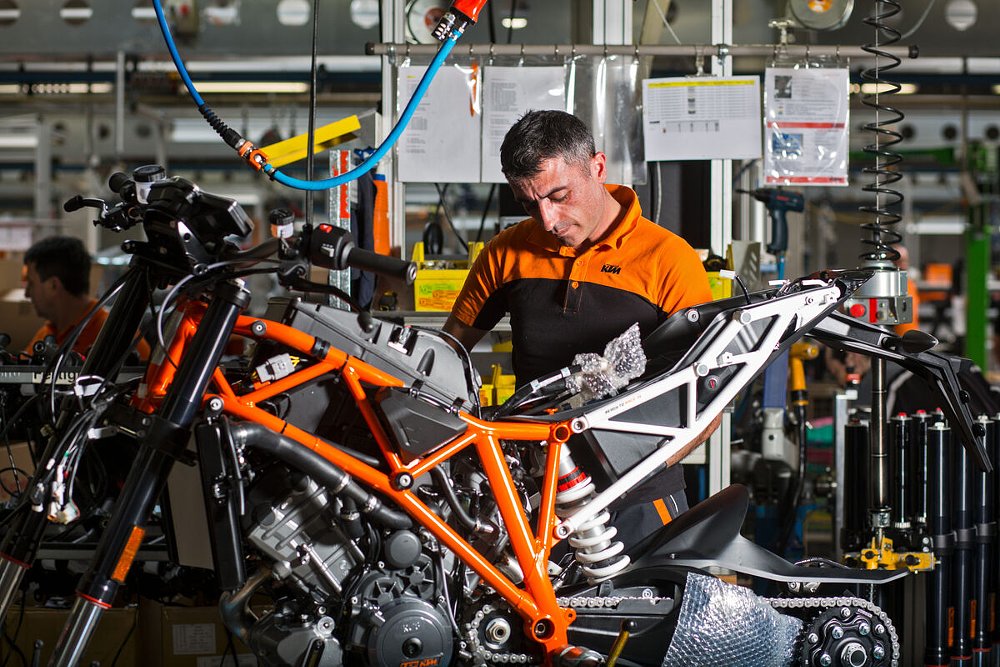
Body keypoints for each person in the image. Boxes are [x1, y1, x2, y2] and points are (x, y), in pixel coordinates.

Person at [443, 110, 715, 548]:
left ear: (598, 167)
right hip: (534, 492)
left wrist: (631, 471)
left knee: (646, 612)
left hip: (640, 497)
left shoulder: (669, 260)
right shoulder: (506, 254)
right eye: (530, 204)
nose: (547, 220)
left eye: (559, 195)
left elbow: (707, 400)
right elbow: (443, 356)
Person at [23, 235, 149, 360]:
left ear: (53, 285)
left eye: (31, 283)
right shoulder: (47, 333)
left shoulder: (117, 336)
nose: (27, 294)